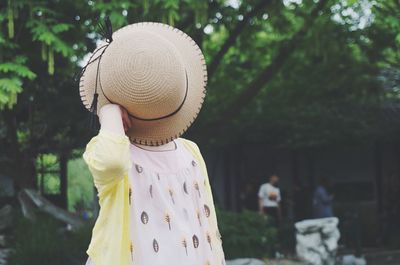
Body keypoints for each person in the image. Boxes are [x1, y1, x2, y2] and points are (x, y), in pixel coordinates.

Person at [77, 20, 225, 265]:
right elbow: (112, 163)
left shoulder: (190, 152)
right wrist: (111, 114)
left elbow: (205, 222)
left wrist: (107, 111)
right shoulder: (120, 153)